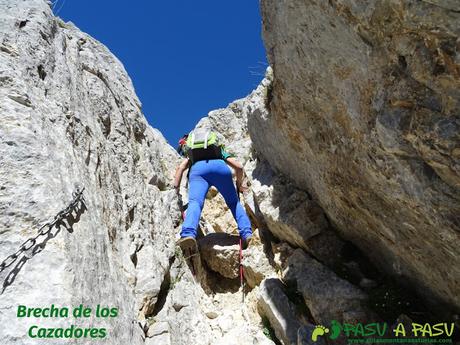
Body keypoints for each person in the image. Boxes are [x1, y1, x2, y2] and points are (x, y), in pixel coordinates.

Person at [174, 132, 253, 251]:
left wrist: (175, 188)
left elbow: (181, 168)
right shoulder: (218, 150)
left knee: (195, 202)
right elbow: (239, 167)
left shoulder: (192, 153)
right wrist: (239, 184)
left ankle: (188, 234)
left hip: (198, 170)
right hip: (220, 168)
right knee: (233, 203)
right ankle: (247, 234)